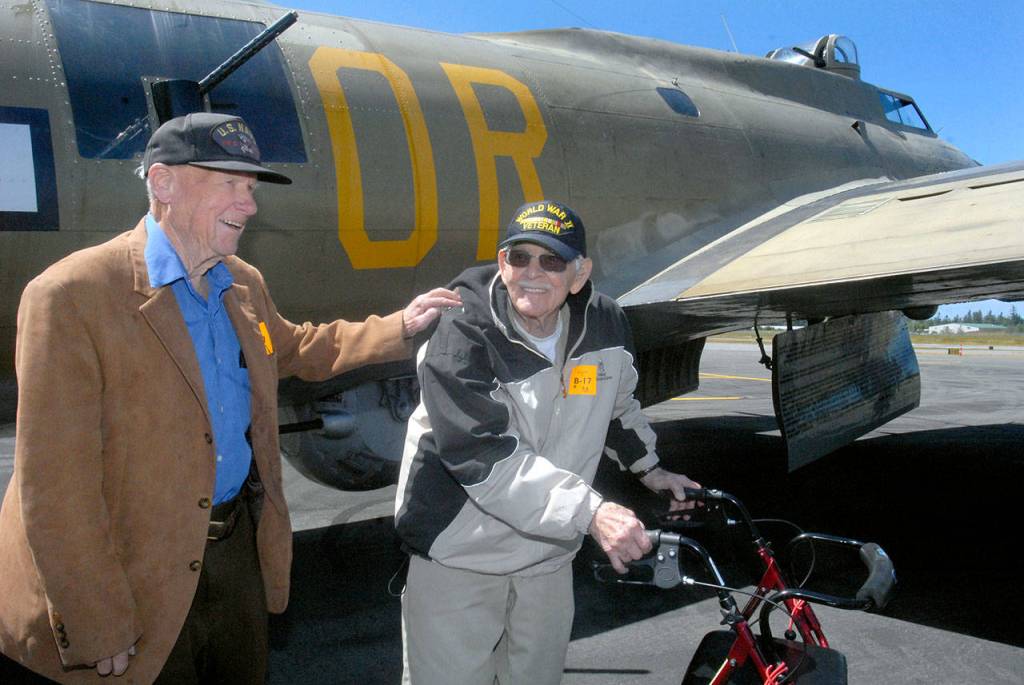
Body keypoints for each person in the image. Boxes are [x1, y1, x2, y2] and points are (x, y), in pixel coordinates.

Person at [0, 112, 460, 683]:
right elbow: (52, 485)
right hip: (131, 561)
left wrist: (398, 327)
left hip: (232, 549)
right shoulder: (70, 295)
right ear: (163, 184)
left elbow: (296, 348)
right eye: (230, 184)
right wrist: (96, 620)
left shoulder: (241, 282)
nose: (249, 205)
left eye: (250, 187)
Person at [394, 200, 700, 684]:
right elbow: (483, 455)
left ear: (580, 274)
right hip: (461, 555)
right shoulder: (461, 331)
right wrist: (592, 513)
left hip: (548, 555)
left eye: (551, 261)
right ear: (501, 264)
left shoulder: (605, 324)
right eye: (519, 258)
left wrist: (651, 469)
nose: (531, 273)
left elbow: (616, 408)